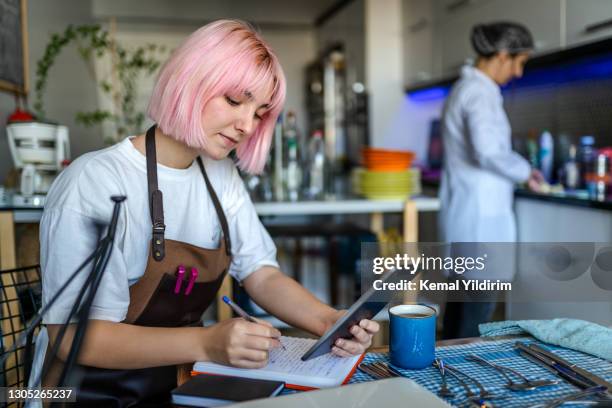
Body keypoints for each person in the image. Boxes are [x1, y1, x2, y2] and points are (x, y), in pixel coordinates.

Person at [28, 20, 379, 406]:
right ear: (190, 82)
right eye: (233, 101)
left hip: (175, 384)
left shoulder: (220, 176)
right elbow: (73, 336)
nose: (247, 125)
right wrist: (207, 342)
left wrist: (326, 321)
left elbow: (261, 274)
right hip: (86, 394)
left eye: (260, 112)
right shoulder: (94, 182)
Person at [439, 22, 544, 339]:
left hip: (469, 217)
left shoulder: (468, 88)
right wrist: (527, 172)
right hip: (479, 223)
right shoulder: (479, 93)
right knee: (473, 324)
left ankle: (440, 383)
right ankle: (459, 385)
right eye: (520, 62)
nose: (519, 73)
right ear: (502, 55)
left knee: (459, 317)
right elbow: (486, 151)